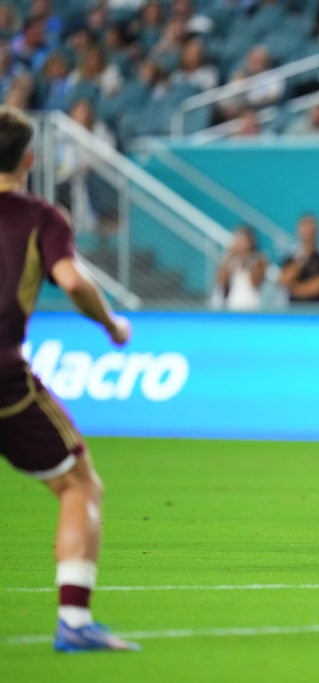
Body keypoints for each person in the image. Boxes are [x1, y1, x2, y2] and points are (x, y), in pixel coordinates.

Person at [0, 104, 138, 651]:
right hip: (4, 378)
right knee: (79, 484)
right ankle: (75, 623)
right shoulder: (40, 217)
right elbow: (72, 281)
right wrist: (111, 324)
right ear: (30, 158)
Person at [278, 212, 319, 304]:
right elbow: (283, 280)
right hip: (292, 311)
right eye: (304, 225)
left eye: (311, 226)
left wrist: (295, 290)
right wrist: (303, 257)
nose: (308, 230)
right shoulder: (289, 253)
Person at [213, 224, 267, 311]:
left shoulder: (259, 259)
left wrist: (246, 258)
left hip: (252, 305)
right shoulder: (230, 259)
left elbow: (254, 283)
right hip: (232, 305)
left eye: (242, 239)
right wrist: (230, 255)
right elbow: (221, 281)